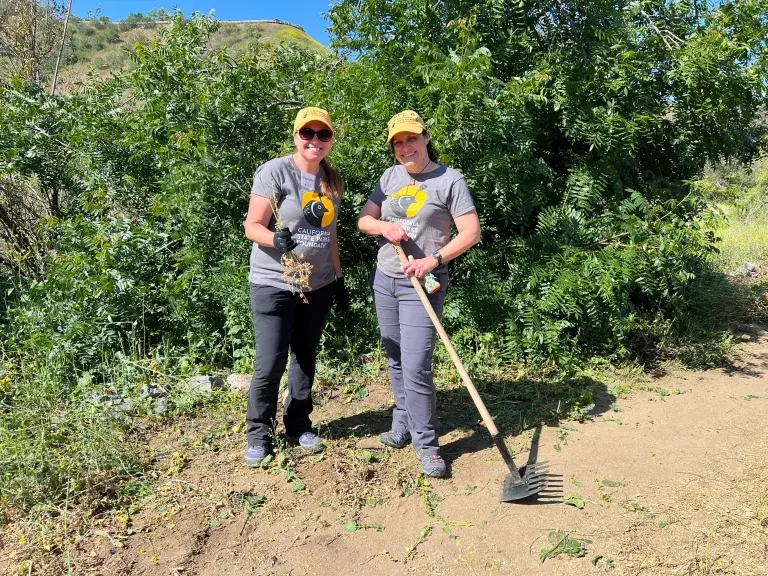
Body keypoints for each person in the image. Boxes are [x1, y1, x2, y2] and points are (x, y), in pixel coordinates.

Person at [357, 110, 481, 477]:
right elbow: (364, 220)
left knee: (415, 365)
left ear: (426, 137)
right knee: (395, 356)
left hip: (423, 285)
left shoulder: (449, 180)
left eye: (411, 138)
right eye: (398, 142)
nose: (405, 146)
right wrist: (384, 226)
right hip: (386, 278)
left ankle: (427, 446)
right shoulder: (390, 177)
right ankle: (402, 425)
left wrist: (433, 259)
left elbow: (470, 232)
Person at [243, 107, 349, 467]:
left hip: (317, 284)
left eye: (323, 135)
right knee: (270, 362)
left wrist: (338, 277)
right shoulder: (275, 171)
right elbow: (252, 226)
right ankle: (259, 433)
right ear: (296, 136)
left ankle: (299, 424)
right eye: (308, 134)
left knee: (305, 357)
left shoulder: (332, 181)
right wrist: (276, 239)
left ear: (331, 140)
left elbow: (330, 233)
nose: (315, 141)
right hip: (274, 282)